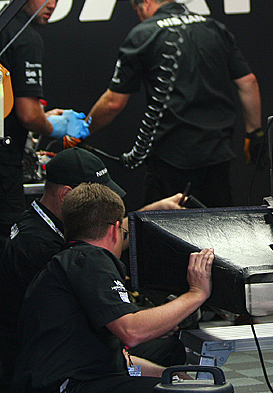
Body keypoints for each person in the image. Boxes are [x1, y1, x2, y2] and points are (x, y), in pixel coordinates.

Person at [0, 147, 186, 392]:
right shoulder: (41, 248)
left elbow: (104, 234)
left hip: (60, 348)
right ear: (67, 195)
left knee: (166, 348)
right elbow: (127, 330)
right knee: (158, 354)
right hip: (44, 364)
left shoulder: (42, 223)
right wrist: (195, 294)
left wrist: (152, 211)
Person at [83, 0, 262, 207]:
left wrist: (83, 130)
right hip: (216, 155)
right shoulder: (214, 28)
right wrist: (254, 134)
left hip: (170, 159)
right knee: (220, 230)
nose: (140, 18)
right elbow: (248, 82)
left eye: (138, 11)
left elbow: (113, 102)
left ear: (145, 1)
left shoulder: (142, 34)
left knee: (165, 234)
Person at [0, 0, 89, 245]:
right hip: (4, 164)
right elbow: (27, 115)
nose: (52, 5)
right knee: (11, 245)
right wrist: (55, 126)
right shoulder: (25, 38)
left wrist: (43, 115)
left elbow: (12, 105)